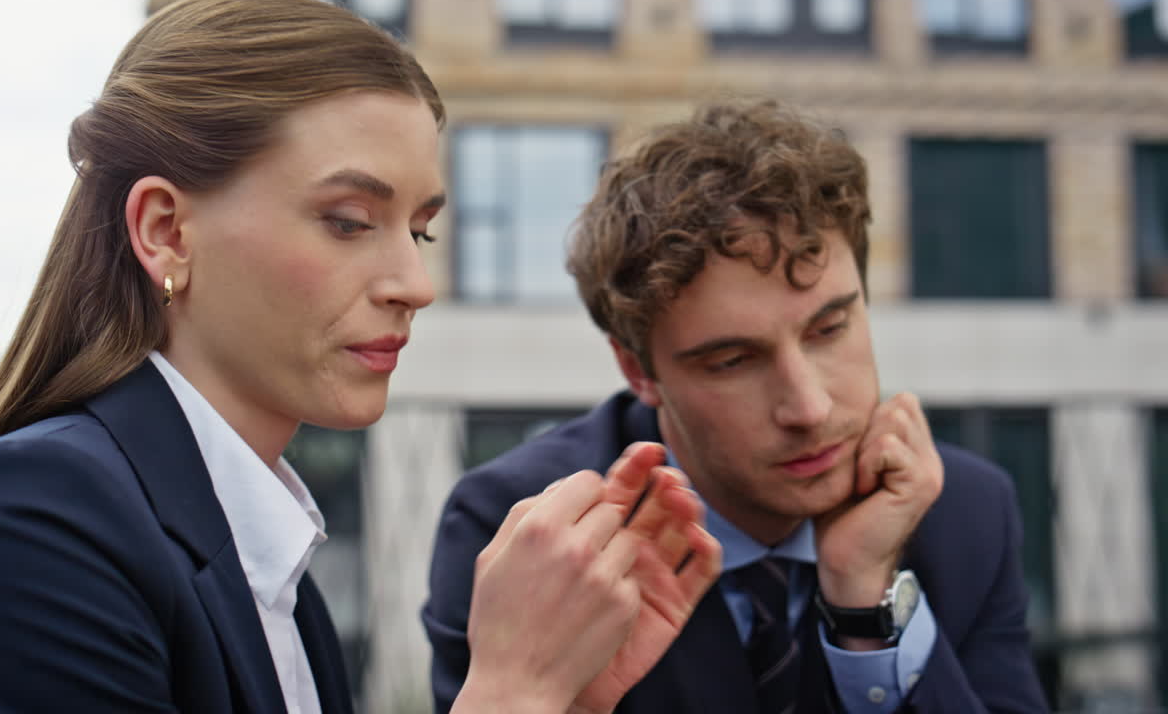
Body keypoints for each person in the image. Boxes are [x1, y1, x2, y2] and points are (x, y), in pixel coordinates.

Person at [0, 0, 722, 712]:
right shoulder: (29, 527)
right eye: (350, 221)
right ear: (166, 231)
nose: (414, 282)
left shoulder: (276, 575)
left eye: (420, 229)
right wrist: (511, 691)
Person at [424, 99, 1051, 713]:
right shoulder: (527, 536)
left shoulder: (967, 512)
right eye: (732, 362)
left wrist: (867, 605)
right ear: (639, 370)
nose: (807, 406)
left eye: (829, 329)